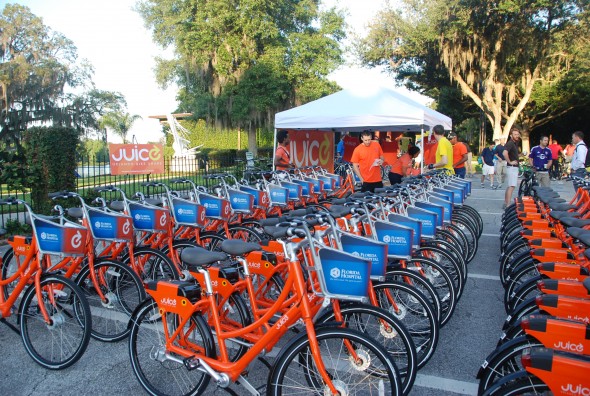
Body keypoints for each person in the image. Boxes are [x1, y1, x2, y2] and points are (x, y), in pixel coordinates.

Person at [502, 128, 522, 209]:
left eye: (517, 134)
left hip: (513, 167)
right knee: (512, 186)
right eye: (515, 134)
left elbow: (512, 154)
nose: (517, 136)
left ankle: (506, 202)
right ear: (511, 135)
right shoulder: (510, 143)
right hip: (512, 167)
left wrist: (520, 156)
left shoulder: (514, 143)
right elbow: (504, 153)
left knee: (510, 186)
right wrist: (510, 162)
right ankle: (508, 205)